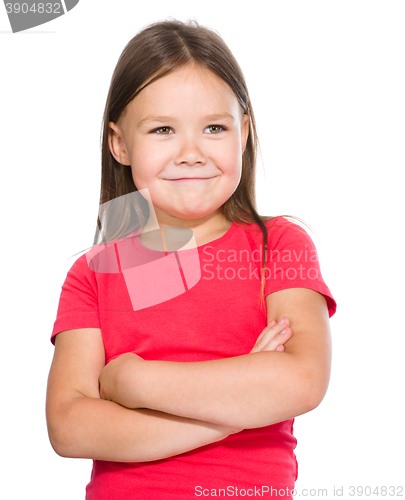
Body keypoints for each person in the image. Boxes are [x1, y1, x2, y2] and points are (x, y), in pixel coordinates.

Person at [46, 18, 337, 500]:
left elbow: (301, 380)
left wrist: (138, 382)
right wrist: (234, 410)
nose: (191, 152)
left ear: (243, 132)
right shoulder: (93, 274)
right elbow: (70, 425)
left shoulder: (279, 246)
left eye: (214, 128)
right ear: (120, 144)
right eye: (163, 129)